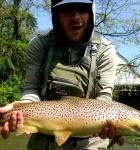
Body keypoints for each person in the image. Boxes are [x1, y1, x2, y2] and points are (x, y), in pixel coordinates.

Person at [0, 0, 124, 149]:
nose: (75, 17)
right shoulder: (40, 45)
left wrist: (111, 124)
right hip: (44, 138)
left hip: (89, 141)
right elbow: (32, 88)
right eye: (66, 10)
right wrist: (23, 108)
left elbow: (103, 98)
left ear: (91, 12)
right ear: (55, 14)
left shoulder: (106, 51)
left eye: (82, 9)